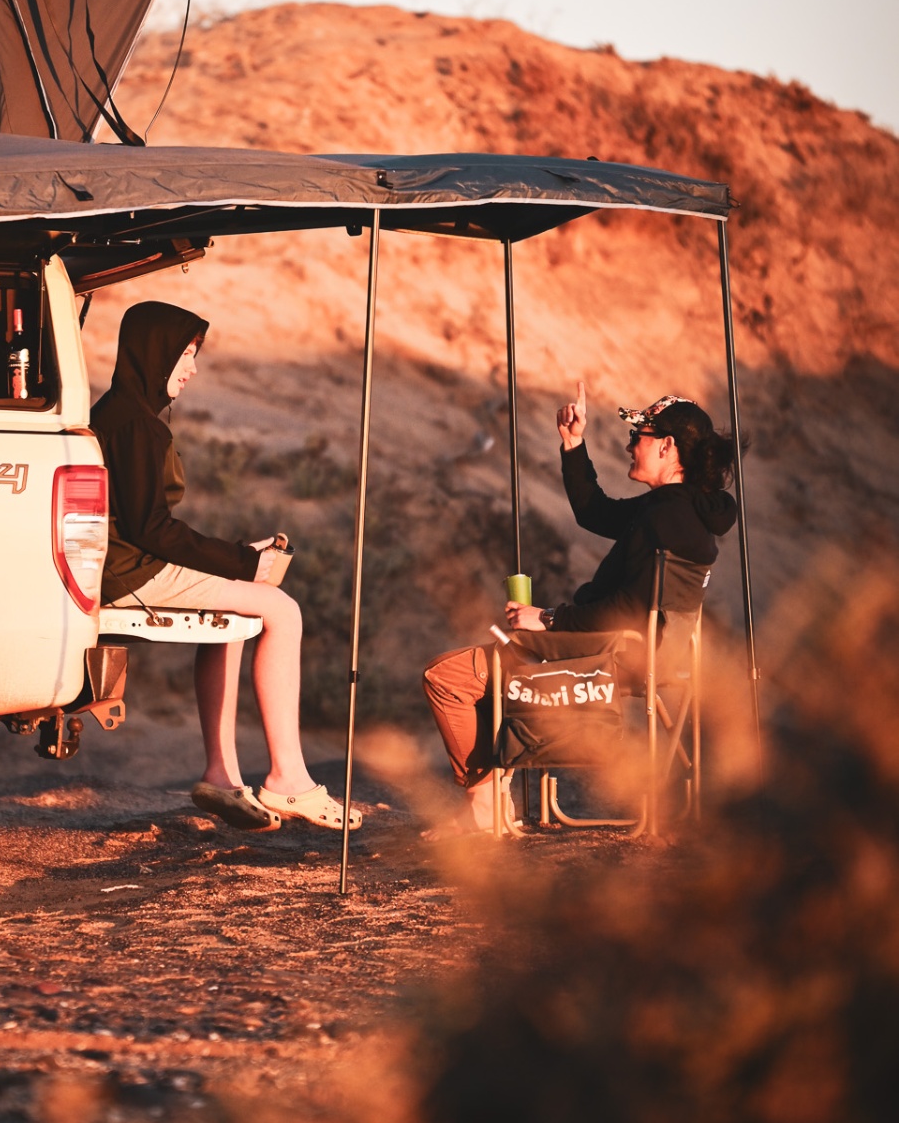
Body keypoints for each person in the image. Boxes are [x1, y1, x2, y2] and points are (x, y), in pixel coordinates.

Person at [91, 300, 359, 834]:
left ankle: (222, 774)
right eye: (185, 354)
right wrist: (242, 561)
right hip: (130, 571)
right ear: (155, 352)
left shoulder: (116, 413)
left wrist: (238, 560)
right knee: (283, 611)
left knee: (236, 612)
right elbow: (151, 530)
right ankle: (288, 779)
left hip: (119, 564)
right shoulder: (137, 425)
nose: (192, 368)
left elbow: (146, 526)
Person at [422, 384, 738, 832]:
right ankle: (492, 798)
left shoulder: (667, 518)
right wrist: (573, 444)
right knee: (481, 670)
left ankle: (484, 805)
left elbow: (630, 608)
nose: (630, 445)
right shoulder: (683, 512)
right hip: (650, 653)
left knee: (447, 677)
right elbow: (595, 514)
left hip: (610, 653)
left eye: (639, 436)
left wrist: (548, 620)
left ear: (667, 447)